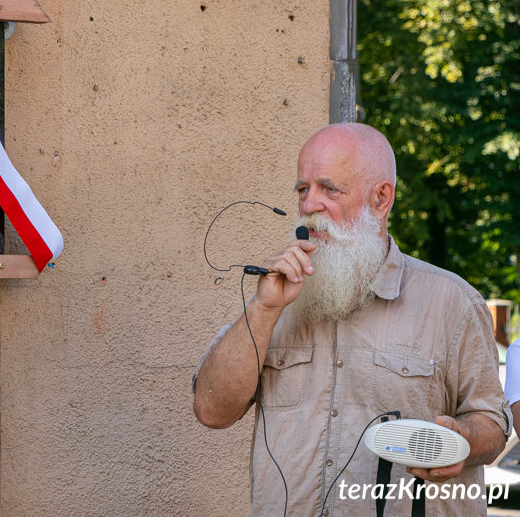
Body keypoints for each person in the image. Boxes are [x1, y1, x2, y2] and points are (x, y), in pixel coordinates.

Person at [192, 123, 510, 516]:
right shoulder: (275, 296)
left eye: (329, 189)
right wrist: (263, 310)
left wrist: (460, 438)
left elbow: (494, 427)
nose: (309, 205)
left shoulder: (452, 301)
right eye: (302, 190)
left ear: (381, 198)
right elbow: (211, 411)